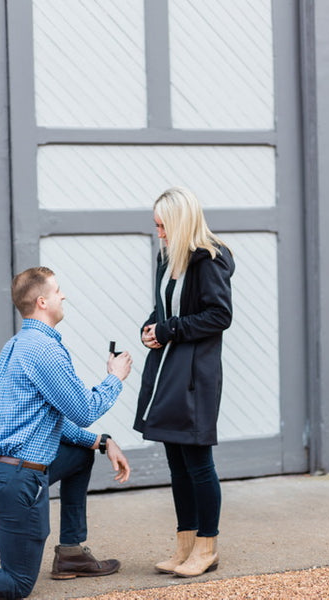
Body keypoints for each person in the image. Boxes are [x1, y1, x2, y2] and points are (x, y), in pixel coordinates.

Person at [0, 266, 132, 599]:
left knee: (81, 456)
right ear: (42, 302)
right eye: (57, 291)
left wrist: (101, 441)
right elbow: (84, 411)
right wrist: (115, 377)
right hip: (17, 480)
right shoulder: (43, 350)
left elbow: (46, 418)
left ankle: (70, 553)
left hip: (5, 472)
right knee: (17, 584)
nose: (63, 295)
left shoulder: (19, 344)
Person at [134, 187, 235, 578]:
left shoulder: (209, 260)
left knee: (197, 462)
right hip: (168, 371)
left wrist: (169, 329)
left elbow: (218, 316)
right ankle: (185, 544)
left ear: (179, 222)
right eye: (156, 225)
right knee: (176, 462)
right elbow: (167, 307)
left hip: (195, 375)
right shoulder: (168, 258)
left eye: (162, 225)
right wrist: (150, 326)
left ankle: (207, 546)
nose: (158, 232)